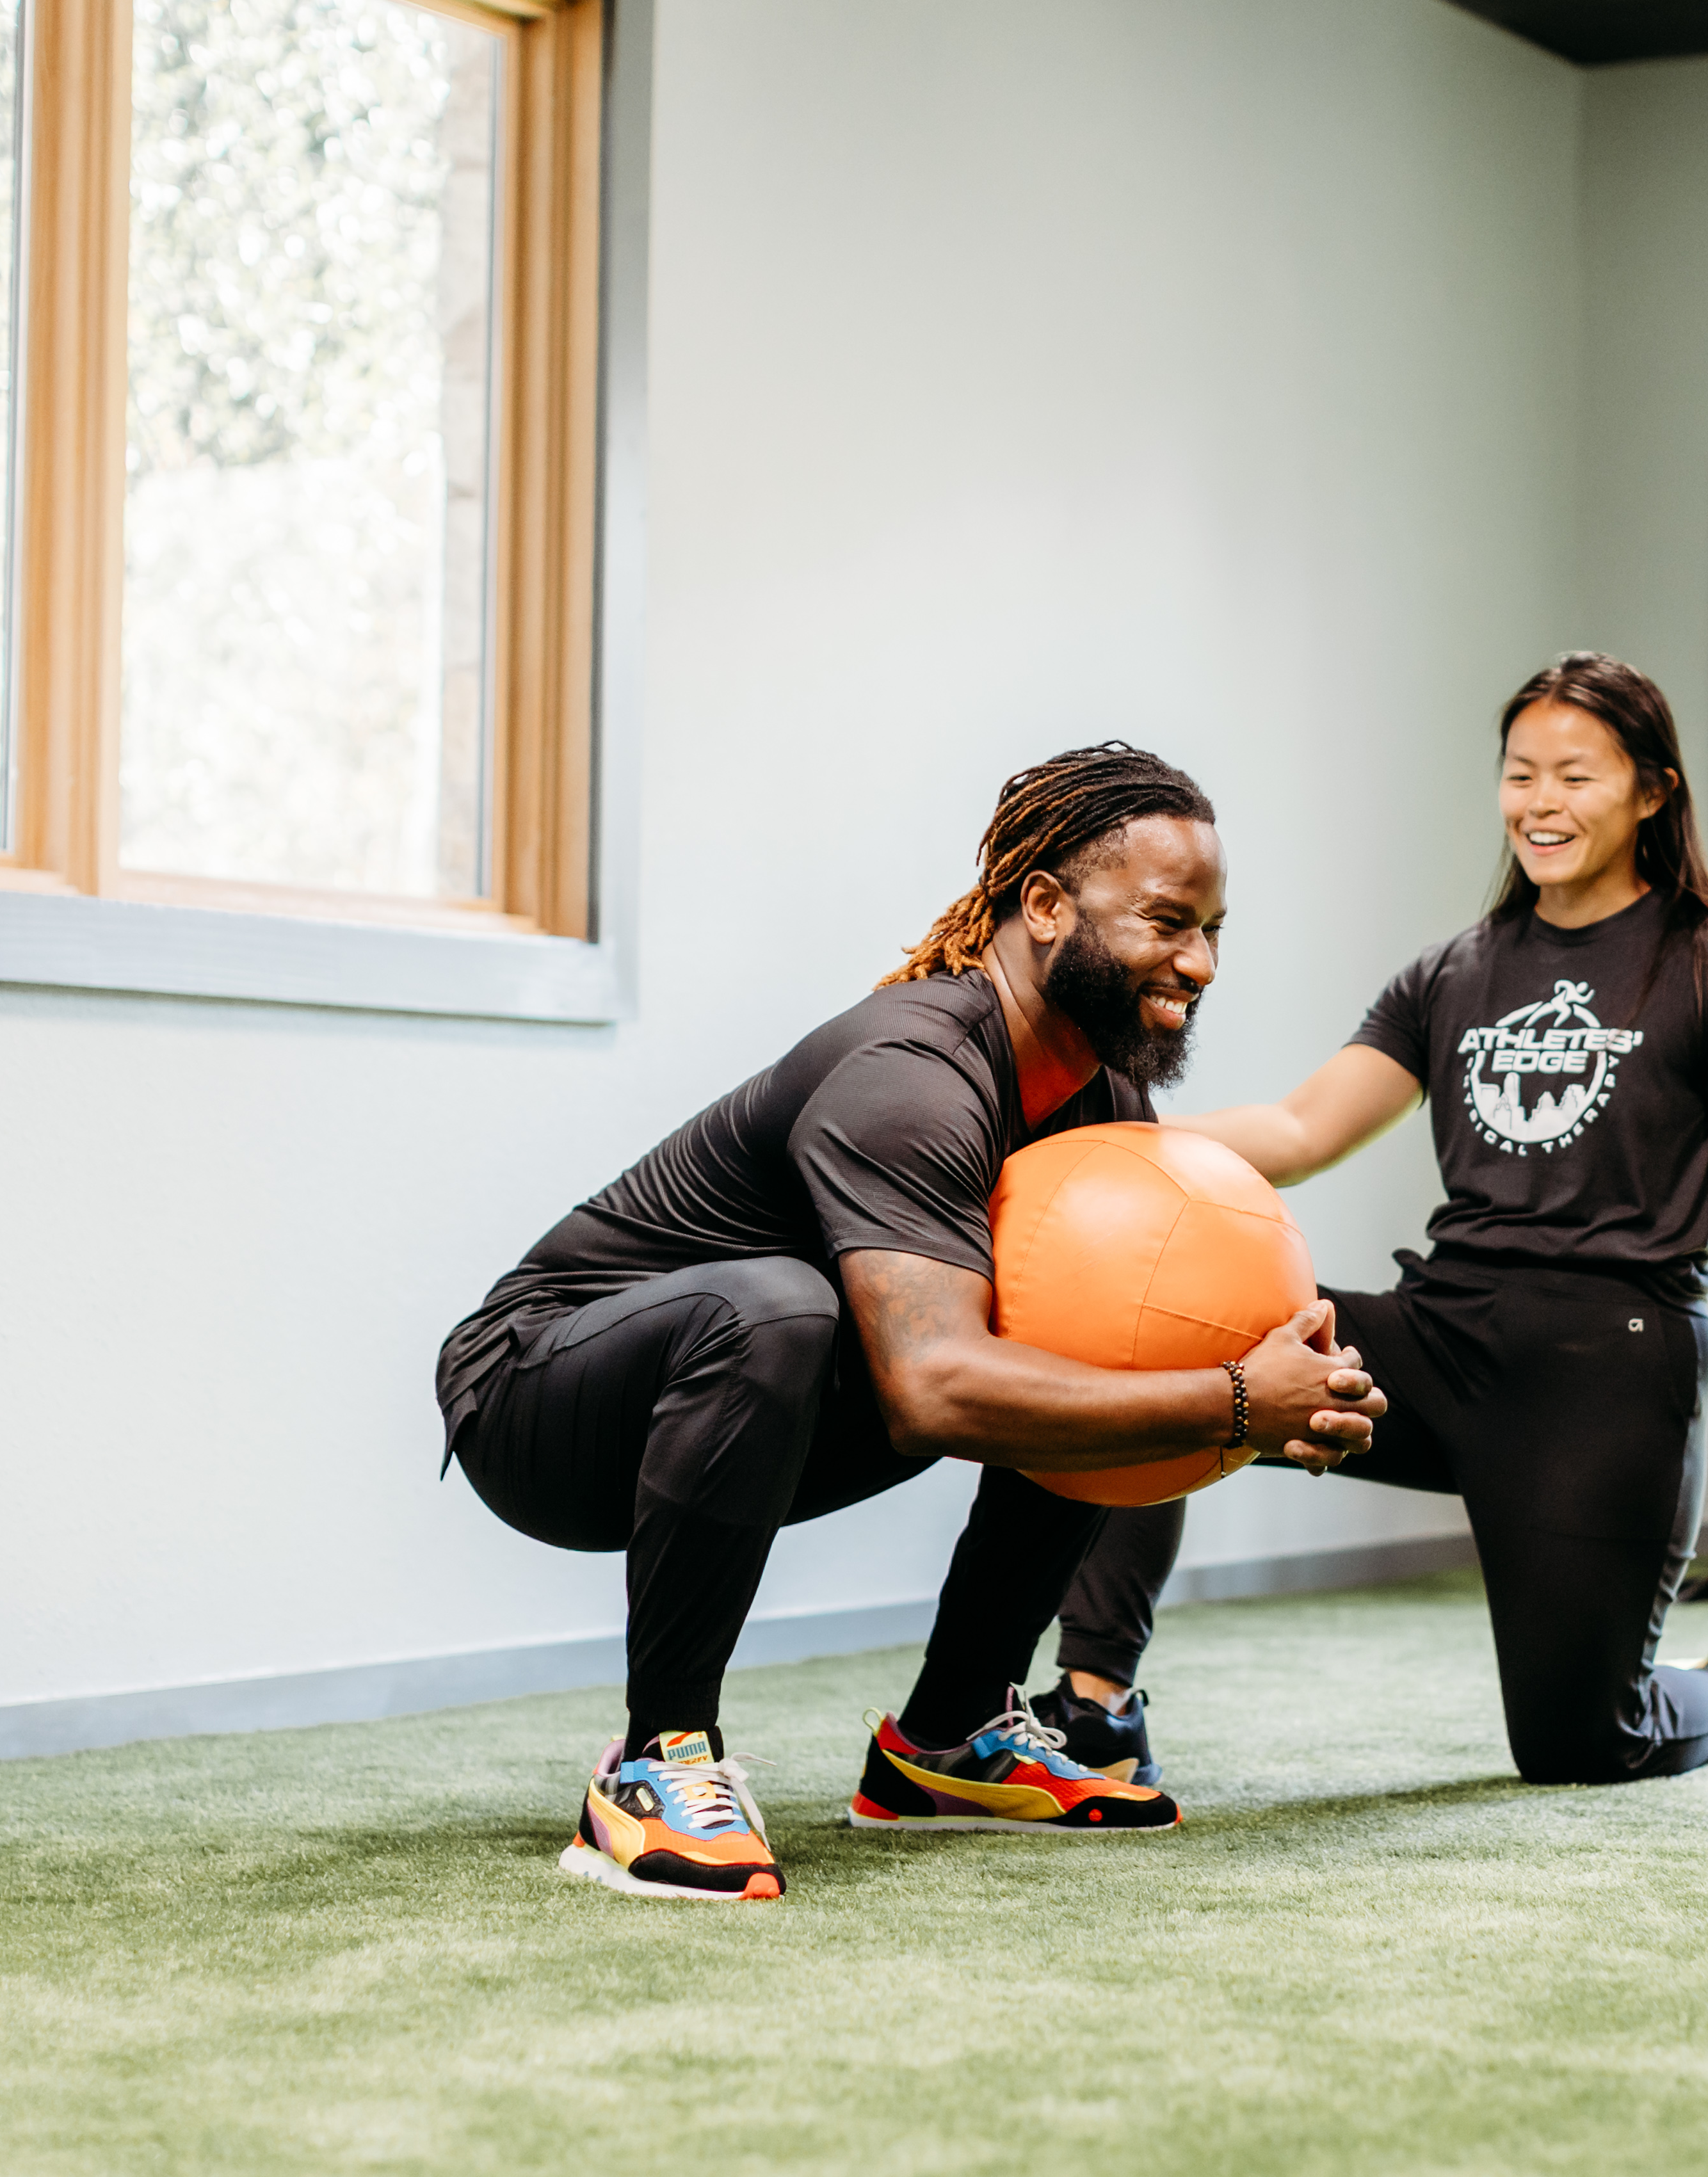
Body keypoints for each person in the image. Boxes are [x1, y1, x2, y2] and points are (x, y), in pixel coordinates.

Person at [433, 744, 1385, 1902]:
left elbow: (1118, 1360)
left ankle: (945, 1745)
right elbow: (934, 1384)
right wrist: (1234, 1398)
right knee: (778, 1306)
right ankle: (654, 1760)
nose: (1198, 961)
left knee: (1109, 1324)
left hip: (754, 1397)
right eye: (1166, 922)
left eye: (1214, 929)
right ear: (1044, 905)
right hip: (539, 1397)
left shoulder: (1098, 1095)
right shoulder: (915, 1070)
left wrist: (1281, 1407)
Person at [1029, 657, 1708, 1790]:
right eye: (1520, 774)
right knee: (1148, 1339)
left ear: (1652, 792)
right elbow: (1300, 1127)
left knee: (1582, 1745)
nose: (1540, 802)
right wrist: (1089, 1144)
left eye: (1575, 776)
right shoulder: (1456, 970)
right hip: (1440, 1342)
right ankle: (1096, 1702)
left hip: (1606, 1372)